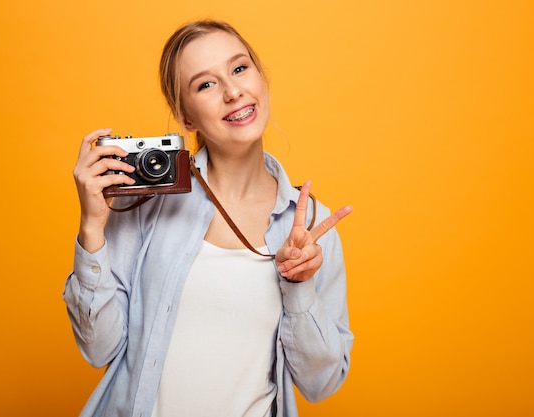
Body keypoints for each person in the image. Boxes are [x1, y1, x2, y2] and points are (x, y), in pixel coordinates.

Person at [64, 19, 353, 417]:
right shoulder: (147, 205)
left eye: (239, 69)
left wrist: (299, 286)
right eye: (206, 84)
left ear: (261, 77)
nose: (234, 92)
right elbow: (99, 350)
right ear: (185, 118)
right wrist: (92, 229)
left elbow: (322, 384)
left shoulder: (311, 228)